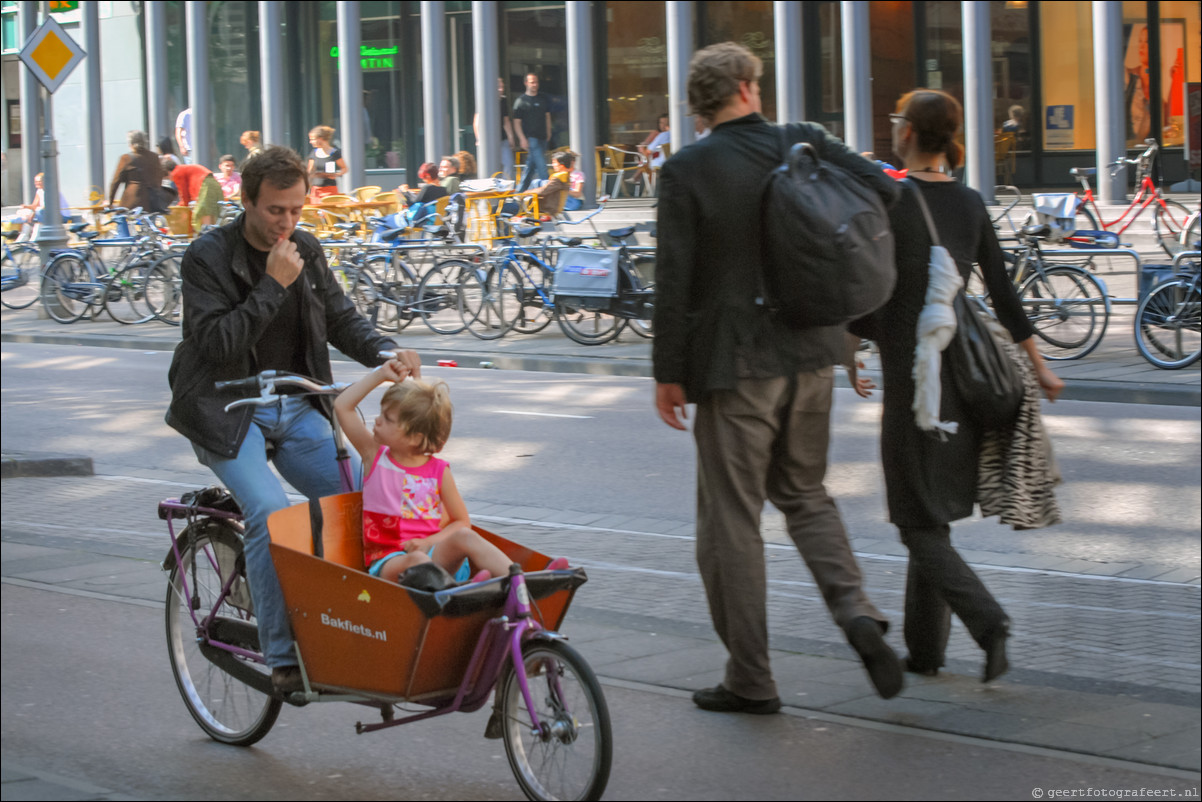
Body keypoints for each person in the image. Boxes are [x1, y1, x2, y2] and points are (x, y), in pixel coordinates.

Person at [652, 42, 905, 715]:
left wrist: (667, 373)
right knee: (806, 494)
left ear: (702, 104)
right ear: (746, 87)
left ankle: (751, 678)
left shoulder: (687, 169)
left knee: (730, 523)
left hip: (736, 367)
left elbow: (673, 280)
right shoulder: (806, 142)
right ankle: (856, 613)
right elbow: (887, 189)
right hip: (814, 351)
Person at [164, 145, 419, 695]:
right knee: (270, 512)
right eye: (276, 210)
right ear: (247, 201)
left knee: (360, 501)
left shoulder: (305, 247)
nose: (287, 222)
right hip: (227, 410)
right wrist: (272, 286)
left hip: (295, 404)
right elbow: (214, 344)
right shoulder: (207, 256)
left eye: (297, 210)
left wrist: (384, 352)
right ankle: (282, 661)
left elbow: (340, 318)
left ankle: (357, 629)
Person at [847, 90, 1063, 683]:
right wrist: (1039, 366)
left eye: (896, 120)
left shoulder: (892, 199)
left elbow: (873, 291)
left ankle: (988, 622)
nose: (892, 128)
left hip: (911, 379)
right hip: (962, 380)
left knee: (915, 520)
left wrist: (849, 344)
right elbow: (1004, 290)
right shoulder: (968, 202)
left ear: (912, 132)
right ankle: (927, 652)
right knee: (930, 515)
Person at [333, 374, 515, 584]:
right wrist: (382, 373)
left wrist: (429, 542)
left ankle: (520, 583)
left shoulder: (439, 471)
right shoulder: (374, 456)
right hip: (390, 560)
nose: (377, 420)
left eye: (388, 418)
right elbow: (343, 406)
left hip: (436, 554)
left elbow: (461, 521)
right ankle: (459, 593)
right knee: (416, 560)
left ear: (415, 437)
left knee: (466, 536)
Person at [109, 130, 166, 212]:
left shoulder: (126, 158)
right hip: (152, 203)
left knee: (122, 222)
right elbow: (159, 176)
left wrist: (110, 202)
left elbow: (115, 182)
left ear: (130, 143)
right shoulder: (155, 157)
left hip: (132, 203)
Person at [513, 72, 552, 191]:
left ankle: (519, 193)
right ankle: (549, 191)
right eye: (532, 82)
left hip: (543, 137)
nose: (535, 84)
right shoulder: (521, 101)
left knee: (530, 167)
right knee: (542, 167)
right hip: (531, 138)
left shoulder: (542, 98)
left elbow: (547, 116)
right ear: (526, 83)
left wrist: (549, 131)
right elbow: (516, 122)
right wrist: (522, 139)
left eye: (536, 82)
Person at [473, 76, 517, 179]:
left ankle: (507, 188)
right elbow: (477, 121)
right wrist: (478, 139)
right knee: (489, 166)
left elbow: (506, 121)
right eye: (498, 87)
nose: (501, 89)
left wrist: (510, 137)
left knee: (508, 164)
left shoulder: (503, 101)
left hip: (502, 138)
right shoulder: (484, 100)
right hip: (487, 140)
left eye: (502, 87)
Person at [8, 172, 69, 240]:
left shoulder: (51, 191)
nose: (36, 183)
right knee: (24, 212)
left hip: (61, 215)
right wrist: (26, 207)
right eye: (35, 181)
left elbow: (48, 207)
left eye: (39, 181)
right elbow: (34, 205)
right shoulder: (39, 191)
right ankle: (23, 238)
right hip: (46, 213)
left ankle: (35, 238)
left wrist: (32, 213)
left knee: (38, 212)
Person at [170, 161, 223, 231]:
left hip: (205, 184)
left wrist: (179, 208)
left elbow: (184, 195)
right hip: (213, 182)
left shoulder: (176, 172)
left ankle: (207, 235)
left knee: (203, 211)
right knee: (213, 211)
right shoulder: (183, 168)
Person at [306, 125, 347, 202]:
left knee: (328, 211)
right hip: (316, 190)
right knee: (316, 212)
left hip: (330, 189)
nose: (310, 142)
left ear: (320, 139)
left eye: (312, 139)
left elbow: (344, 168)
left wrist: (336, 174)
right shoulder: (314, 153)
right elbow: (309, 171)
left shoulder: (334, 153)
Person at [534, 151, 577, 218]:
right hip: (550, 205)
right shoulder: (564, 175)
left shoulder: (559, 177)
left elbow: (543, 191)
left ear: (561, 165)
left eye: (554, 162)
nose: (553, 165)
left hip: (548, 207)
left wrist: (525, 193)